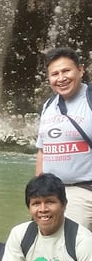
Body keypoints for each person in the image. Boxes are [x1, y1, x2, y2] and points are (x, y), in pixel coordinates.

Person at [36, 47, 92, 230]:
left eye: (66, 71)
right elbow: (42, 150)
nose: (61, 78)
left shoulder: (89, 99)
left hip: (83, 191)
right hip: (51, 193)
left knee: (70, 242)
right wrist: (38, 191)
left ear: (80, 70)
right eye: (55, 74)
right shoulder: (49, 104)